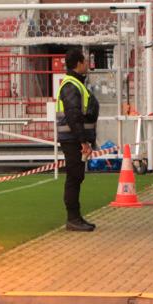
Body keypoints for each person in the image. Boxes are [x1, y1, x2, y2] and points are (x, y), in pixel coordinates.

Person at [55, 47, 100, 232]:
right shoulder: (71, 85)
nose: (88, 65)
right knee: (74, 177)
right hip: (72, 139)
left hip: (74, 138)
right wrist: (82, 141)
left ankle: (75, 217)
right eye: (86, 61)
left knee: (77, 177)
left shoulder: (75, 84)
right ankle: (73, 218)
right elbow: (73, 116)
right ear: (79, 63)